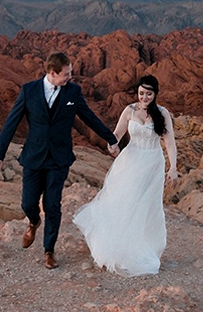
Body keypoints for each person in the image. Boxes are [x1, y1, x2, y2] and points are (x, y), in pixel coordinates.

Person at [0, 52, 117, 270]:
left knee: (52, 205)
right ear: (52, 73)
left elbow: (89, 118)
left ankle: (49, 250)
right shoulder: (29, 91)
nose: (70, 77)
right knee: (28, 203)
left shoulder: (73, 92)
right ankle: (33, 221)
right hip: (33, 156)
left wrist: (111, 139)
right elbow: (11, 122)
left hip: (59, 158)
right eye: (66, 74)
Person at [72, 74, 176, 276]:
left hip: (153, 163)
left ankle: (143, 248)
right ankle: (117, 248)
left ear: (155, 94)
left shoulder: (162, 114)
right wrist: (112, 145)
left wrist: (173, 167)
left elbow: (170, 142)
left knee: (146, 206)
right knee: (124, 201)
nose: (144, 97)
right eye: (141, 93)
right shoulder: (129, 110)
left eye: (149, 94)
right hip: (130, 160)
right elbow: (117, 134)